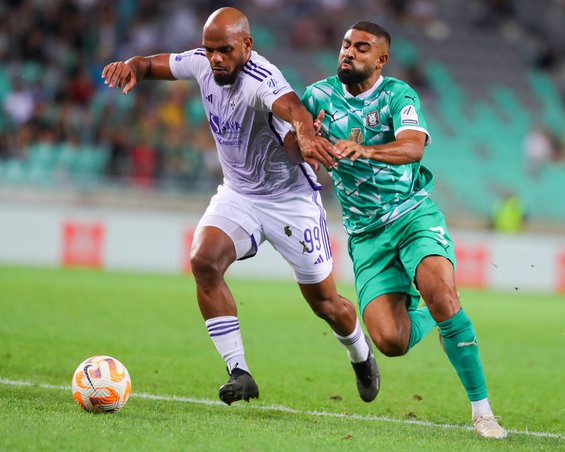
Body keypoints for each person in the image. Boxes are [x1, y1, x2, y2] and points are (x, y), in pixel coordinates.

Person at [101, 7, 379, 406]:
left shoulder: (262, 80)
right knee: (203, 260)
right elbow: (153, 64)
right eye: (209, 49)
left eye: (225, 50)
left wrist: (303, 133)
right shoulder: (202, 64)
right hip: (240, 195)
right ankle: (239, 371)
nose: (215, 58)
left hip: (291, 203)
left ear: (247, 46)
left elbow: (292, 109)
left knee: (326, 304)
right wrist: (134, 66)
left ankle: (360, 354)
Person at [285, 21, 507, 439]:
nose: (348, 52)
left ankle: (482, 411)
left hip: (411, 216)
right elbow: (288, 148)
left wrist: (365, 149)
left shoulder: (397, 95)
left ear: (381, 59)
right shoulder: (316, 96)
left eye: (361, 48)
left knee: (443, 295)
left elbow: (413, 146)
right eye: (346, 44)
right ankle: (441, 318)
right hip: (366, 236)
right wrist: (303, 137)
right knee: (391, 341)